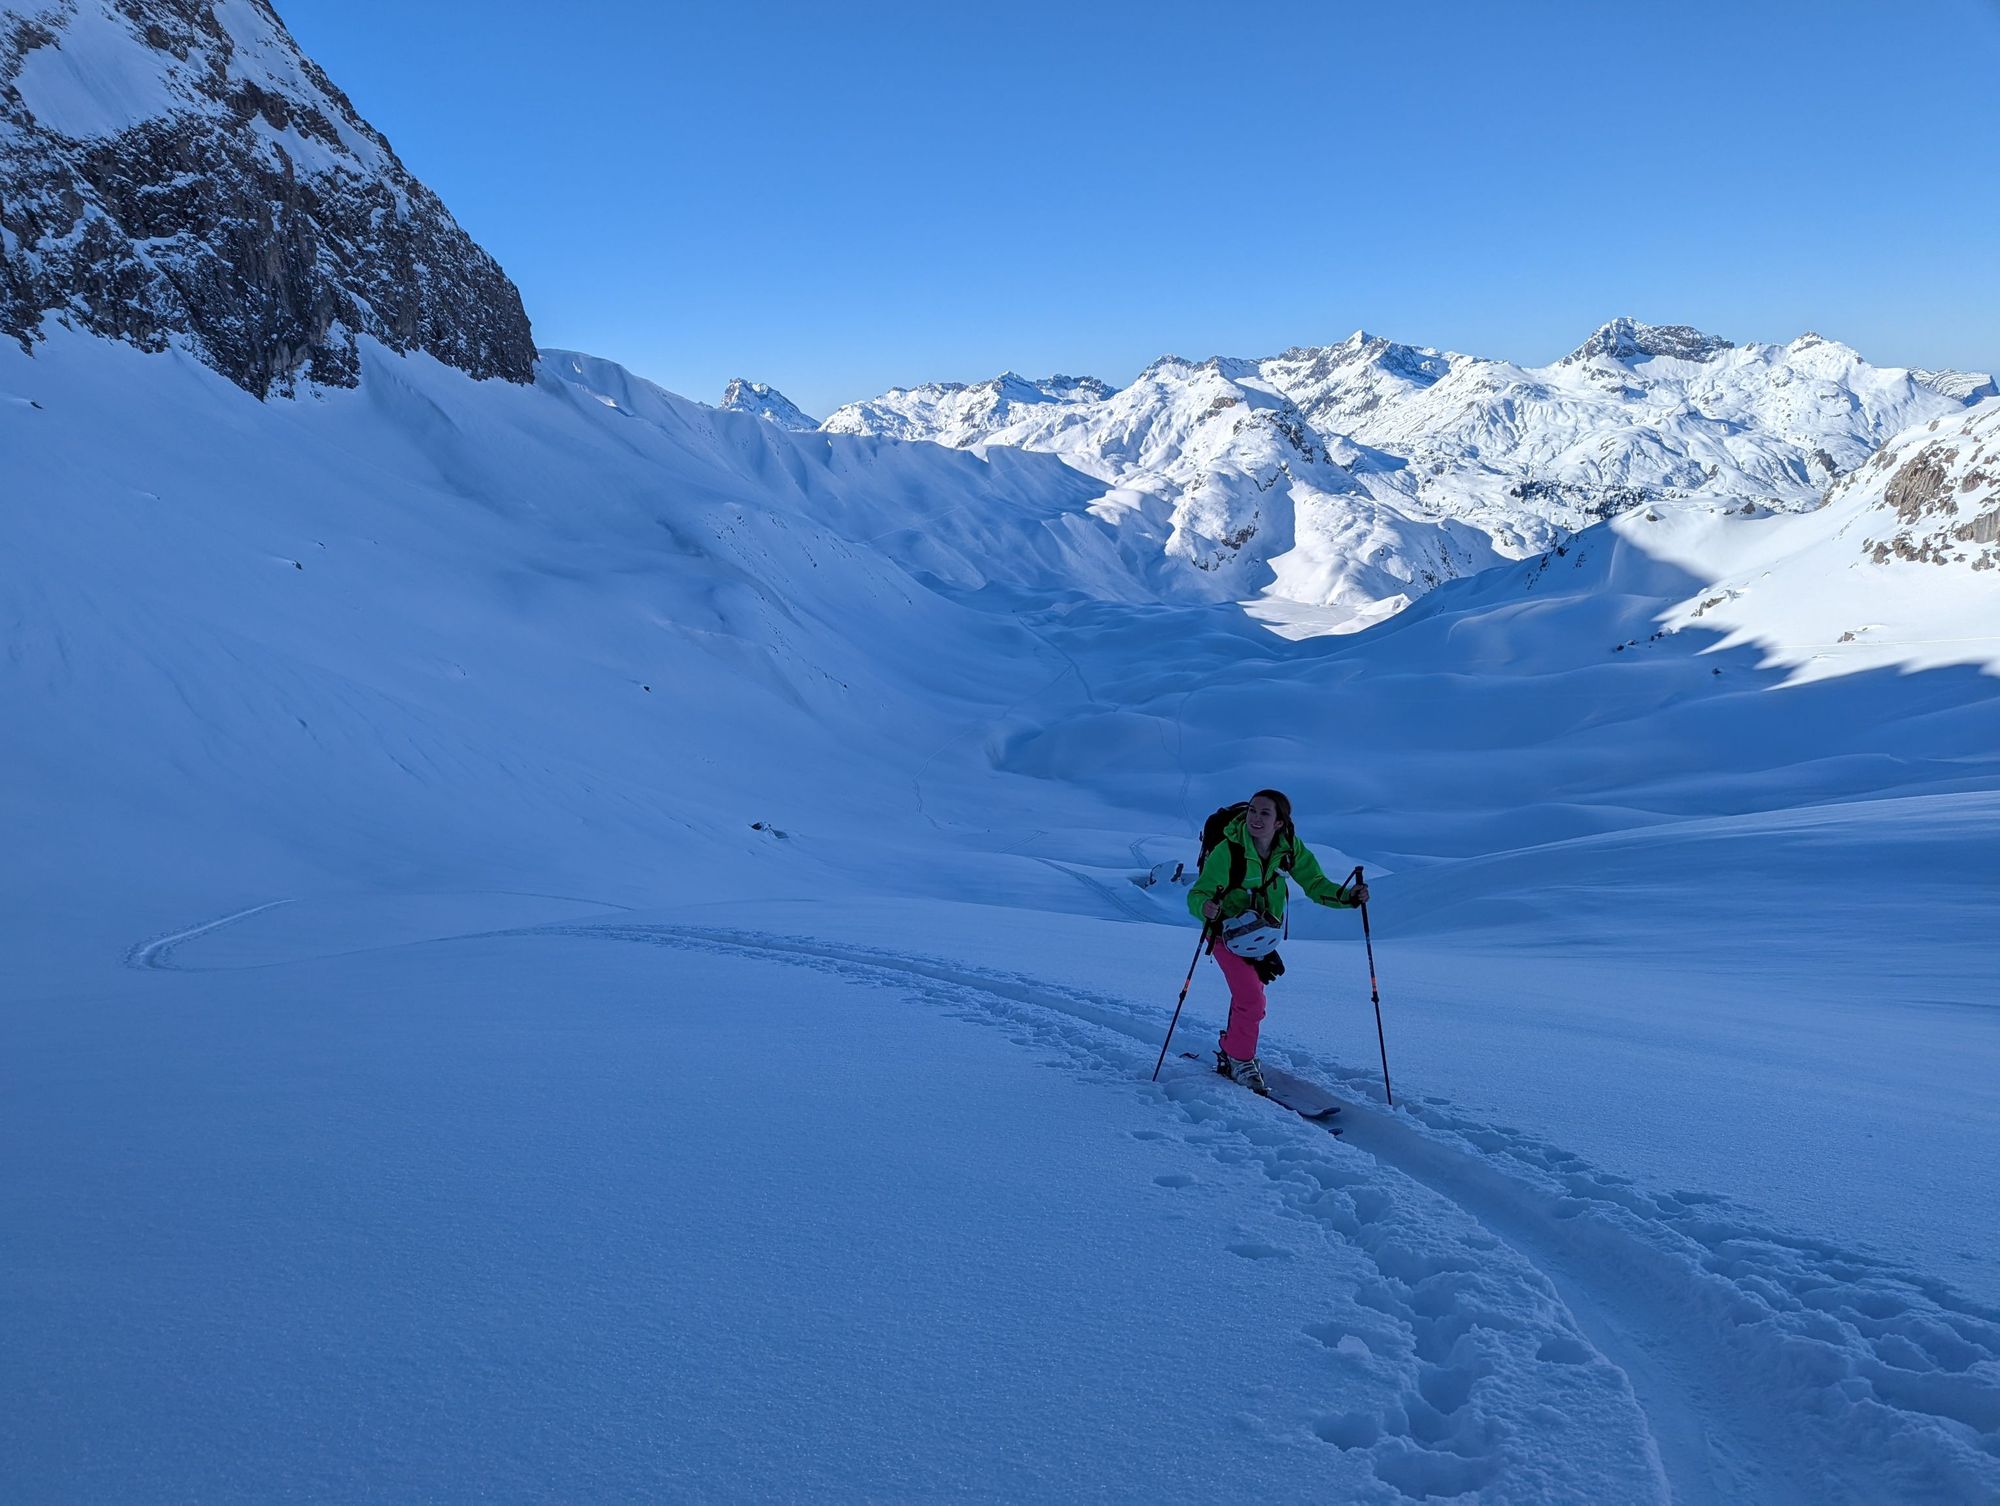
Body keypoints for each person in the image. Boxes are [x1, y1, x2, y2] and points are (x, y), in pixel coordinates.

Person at [1186, 789, 1367, 1095]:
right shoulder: (1228, 850)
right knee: (1252, 1000)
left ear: (1280, 822)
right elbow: (1198, 893)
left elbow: (1315, 884)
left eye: (1264, 813)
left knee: (1248, 996)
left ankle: (1233, 1048)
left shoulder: (1289, 849)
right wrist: (1204, 907)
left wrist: (1346, 897)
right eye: (1253, 811)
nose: (1255, 818)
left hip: (1260, 936)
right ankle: (1240, 1059)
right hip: (1224, 934)